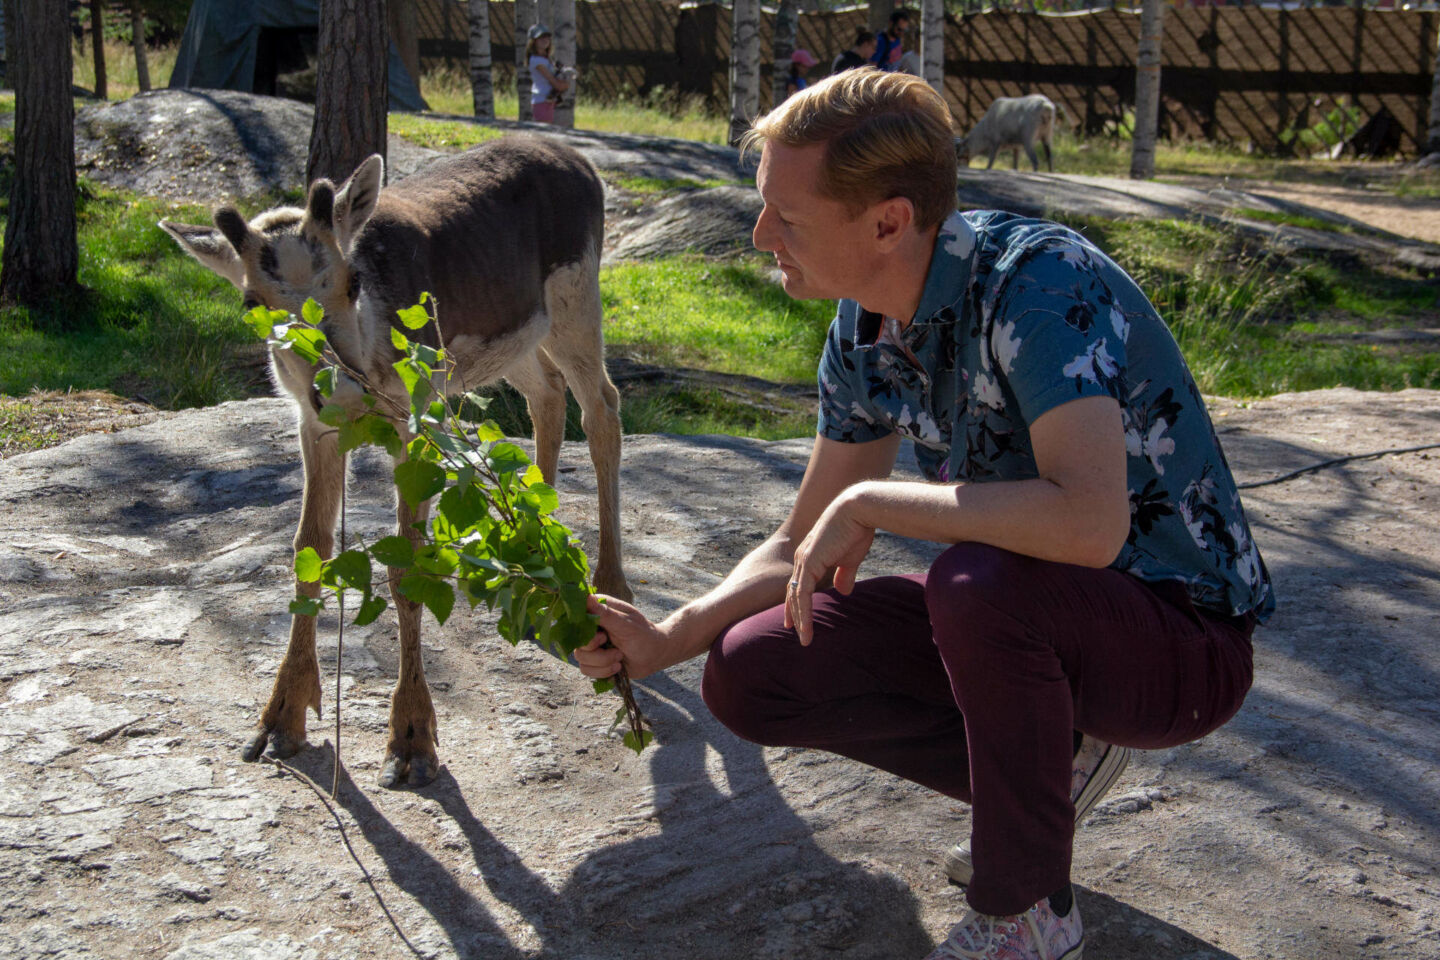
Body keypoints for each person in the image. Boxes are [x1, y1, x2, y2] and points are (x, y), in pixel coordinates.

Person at [575, 69, 1272, 960]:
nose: (760, 236)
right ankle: (1059, 768)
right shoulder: (863, 328)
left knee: (975, 585)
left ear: (889, 222)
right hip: (1047, 625)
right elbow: (798, 541)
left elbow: (1088, 526)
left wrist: (875, 498)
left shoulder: (1037, 285)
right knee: (755, 668)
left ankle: (1025, 913)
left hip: (1180, 641)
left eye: (786, 217)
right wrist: (669, 637)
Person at [525, 23, 569, 125]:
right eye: (541, 38)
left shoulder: (546, 58)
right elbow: (553, 82)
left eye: (547, 37)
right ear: (533, 41)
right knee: (544, 135)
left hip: (549, 101)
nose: (545, 40)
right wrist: (564, 85)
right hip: (541, 101)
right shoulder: (536, 61)